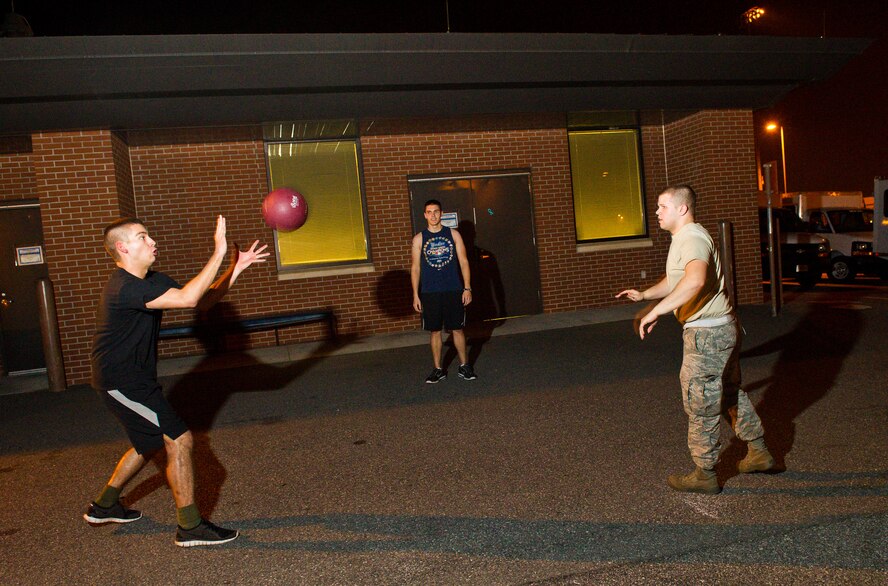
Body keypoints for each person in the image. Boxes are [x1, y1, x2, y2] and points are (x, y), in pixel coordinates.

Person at [85, 215, 269, 546]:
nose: (152, 241)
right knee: (180, 439)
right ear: (123, 248)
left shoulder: (150, 280)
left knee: (146, 444)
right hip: (121, 382)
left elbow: (199, 299)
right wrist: (218, 250)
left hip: (135, 380)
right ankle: (190, 527)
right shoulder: (124, 288)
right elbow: (186, 298)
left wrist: (235, 268)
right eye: (143, 237)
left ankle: (104, 505)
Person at [616, 185, 775, 495]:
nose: (657, 212)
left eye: (663, 206)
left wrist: (656, 313)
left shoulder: (691, 238)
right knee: (728, 393)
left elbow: (696, 280)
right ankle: (759, 452)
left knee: (700, 402)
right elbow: (678, 278)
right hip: (721, 328)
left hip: (707, 335)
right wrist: (647, 295)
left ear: (682, 209)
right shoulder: (686, 239)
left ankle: (705, 473)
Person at [411, 199, 476, 383]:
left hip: (453, 289)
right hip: (430, 292)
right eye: (429, 212)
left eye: (436, 211)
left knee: (457, 329)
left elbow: (464, 262)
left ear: (441, 213)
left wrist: (467, 287)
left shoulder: (453, 235)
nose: (433, 215)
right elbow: (415, 268)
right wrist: (416, 294)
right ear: (425, 215)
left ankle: (464, 366)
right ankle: (438, 369)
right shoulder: (419, 239)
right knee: (434, 331)